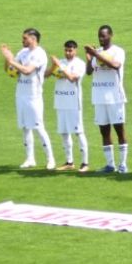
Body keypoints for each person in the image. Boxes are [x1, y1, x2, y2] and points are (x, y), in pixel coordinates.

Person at [1, 28, 53, 169]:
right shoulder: (23, 52)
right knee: (24, 127)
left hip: (33, 95)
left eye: (25, 38)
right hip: (21, 94)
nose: (22, 40)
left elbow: (27, 70)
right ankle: (30, 159)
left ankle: (50, 159)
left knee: (38, 127)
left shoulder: (39, 54)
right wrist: (7, 59)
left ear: (33, 39)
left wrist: (11, 60)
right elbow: (10, 70)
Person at [84, 25, 127, 173]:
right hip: (99, 97)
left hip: (115, 97)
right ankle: (110, 165)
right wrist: (89, 58)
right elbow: (89, 72)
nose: (101, 38)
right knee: (104, 131)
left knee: (119, 130)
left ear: (111, 35)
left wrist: (95, 54)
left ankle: (123, 164)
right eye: (99, 36)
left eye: (103, 36)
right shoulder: (97, 52)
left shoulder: (118, 51)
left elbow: (115, 65)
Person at [47, 39, 89, 172]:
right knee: (64, 133)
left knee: (78, 132)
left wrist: (59, 65)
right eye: (66, 50)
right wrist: (53, 66)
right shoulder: (61, 62)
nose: (68, 53)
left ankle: (85, 163)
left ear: (75, 50)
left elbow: (71, 78)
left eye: (70, 50)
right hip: (60, 101)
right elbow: (46, 75)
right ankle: (69, 162)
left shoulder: (80, 64)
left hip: (73, 103)